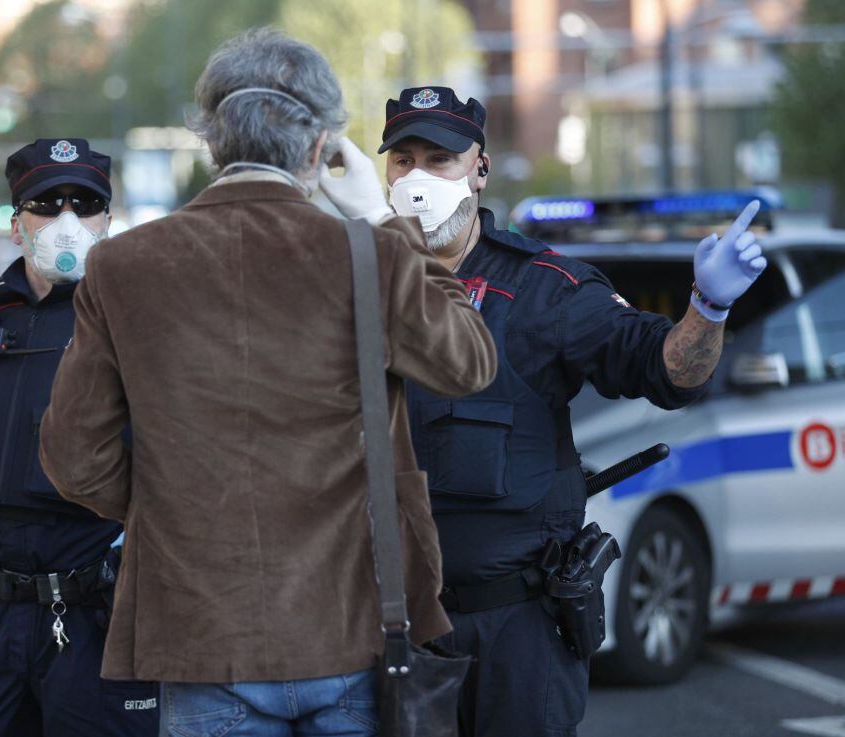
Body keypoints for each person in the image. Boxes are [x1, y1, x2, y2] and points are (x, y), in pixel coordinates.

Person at [37, 30, 498, 737]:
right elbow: (469, 362)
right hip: (348, 623)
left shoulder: (122, 264)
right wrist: (382, 216)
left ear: (212, 142)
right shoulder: (368, 253)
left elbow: (75, 456)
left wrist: (171, 512)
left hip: (200, 631)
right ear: (319, 150)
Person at [328, 86, 765, 737]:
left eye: (440, 160)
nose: (418, 178)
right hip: (388, 627)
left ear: (479, 170)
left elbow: (668, 372)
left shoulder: (543, 289)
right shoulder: (351, 288)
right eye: (404, 160)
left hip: (518, 633)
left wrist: (708, 306)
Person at [0, 138, 159, 737]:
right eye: (47, 204)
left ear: (107, 222)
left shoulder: (138, 325)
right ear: (18, 227)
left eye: (84, 203)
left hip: (99, 624)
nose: (67, 220)